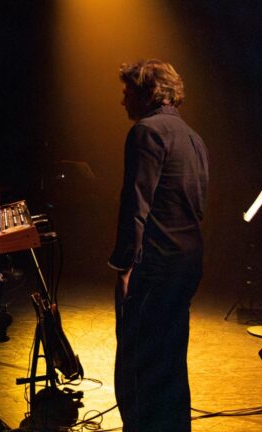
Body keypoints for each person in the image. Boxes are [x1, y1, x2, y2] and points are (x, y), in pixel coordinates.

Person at [109, 59, 209, 431]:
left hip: (155, 260)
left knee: (138, 359)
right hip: (187, 258)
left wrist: (125, 265)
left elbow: (136, 204)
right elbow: (199, 203)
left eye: (127, 93)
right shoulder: (193, 136)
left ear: (148, 92)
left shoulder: (147, 132)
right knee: (170, 356)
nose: (123, 102)